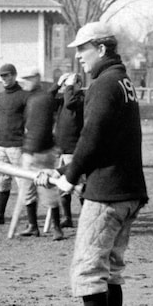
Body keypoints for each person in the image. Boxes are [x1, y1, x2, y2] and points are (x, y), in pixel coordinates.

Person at [34, 21, 147, 306]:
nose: (78, 57)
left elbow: (93, 137)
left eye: (82, 49)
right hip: (128, 190)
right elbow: (106, 139)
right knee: (110, 271)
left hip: (108, 193)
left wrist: (68, 177)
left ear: (100, 48)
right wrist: (74, 174)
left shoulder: (102, 84)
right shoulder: (123, 81)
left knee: (87, 270)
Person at [18, 70, 64, 240]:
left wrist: (35, 149)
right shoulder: (33, 98)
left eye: (27, 79)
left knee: (48, 189)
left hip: (40, 151)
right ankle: (33, 226)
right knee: (28, 190)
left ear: (36, 79)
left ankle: (57, 228)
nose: (24, 82)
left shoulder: (40, 99)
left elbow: (41, 128)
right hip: (31, 149)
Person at [0, 63, 29, 226]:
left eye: (6, 75)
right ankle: (0, 214)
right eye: (1, 76)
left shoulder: (24, 96)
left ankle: (30, 221)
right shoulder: (0, 97)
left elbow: (35, 115)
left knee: (23, 181)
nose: (3, 79)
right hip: (0, 145)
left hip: (17, 145)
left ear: (14, 76)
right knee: (2, 180)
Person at [50, 71, 85, 228]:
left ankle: (86, 219)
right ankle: (68, 218)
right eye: (66, 85)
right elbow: (47, 99)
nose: (67, 87)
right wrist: (58, 84)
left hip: (74, 148)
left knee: (78, 186)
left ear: (79, 84)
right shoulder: (64, 97)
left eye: (71, 84)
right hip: (61, 149)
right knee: (62, 186)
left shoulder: (81, 98)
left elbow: (70, 102)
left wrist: (69, 86)